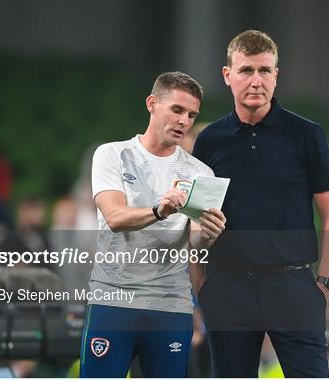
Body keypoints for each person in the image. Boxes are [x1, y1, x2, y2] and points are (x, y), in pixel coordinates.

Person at [192, 30, 329, 377]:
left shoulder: (307, 135)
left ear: (277, 75)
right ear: (227, 75)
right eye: (246, 70)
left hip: (294, 287)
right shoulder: (210, 140)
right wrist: (201, 283)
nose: (256, 80)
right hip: (228, 290)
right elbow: (194, 220)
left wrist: (326, 284)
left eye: (265, 70)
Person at [79, 72, 226, 378]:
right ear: (152, 104)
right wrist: (160, 210)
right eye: (177, 110)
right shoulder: (113, 154)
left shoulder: (201, 172)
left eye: (191, 115)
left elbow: (194, 245)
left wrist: (209, 234)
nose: (184, 120)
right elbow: (115, 217)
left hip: (171, 305)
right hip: (114, 298)